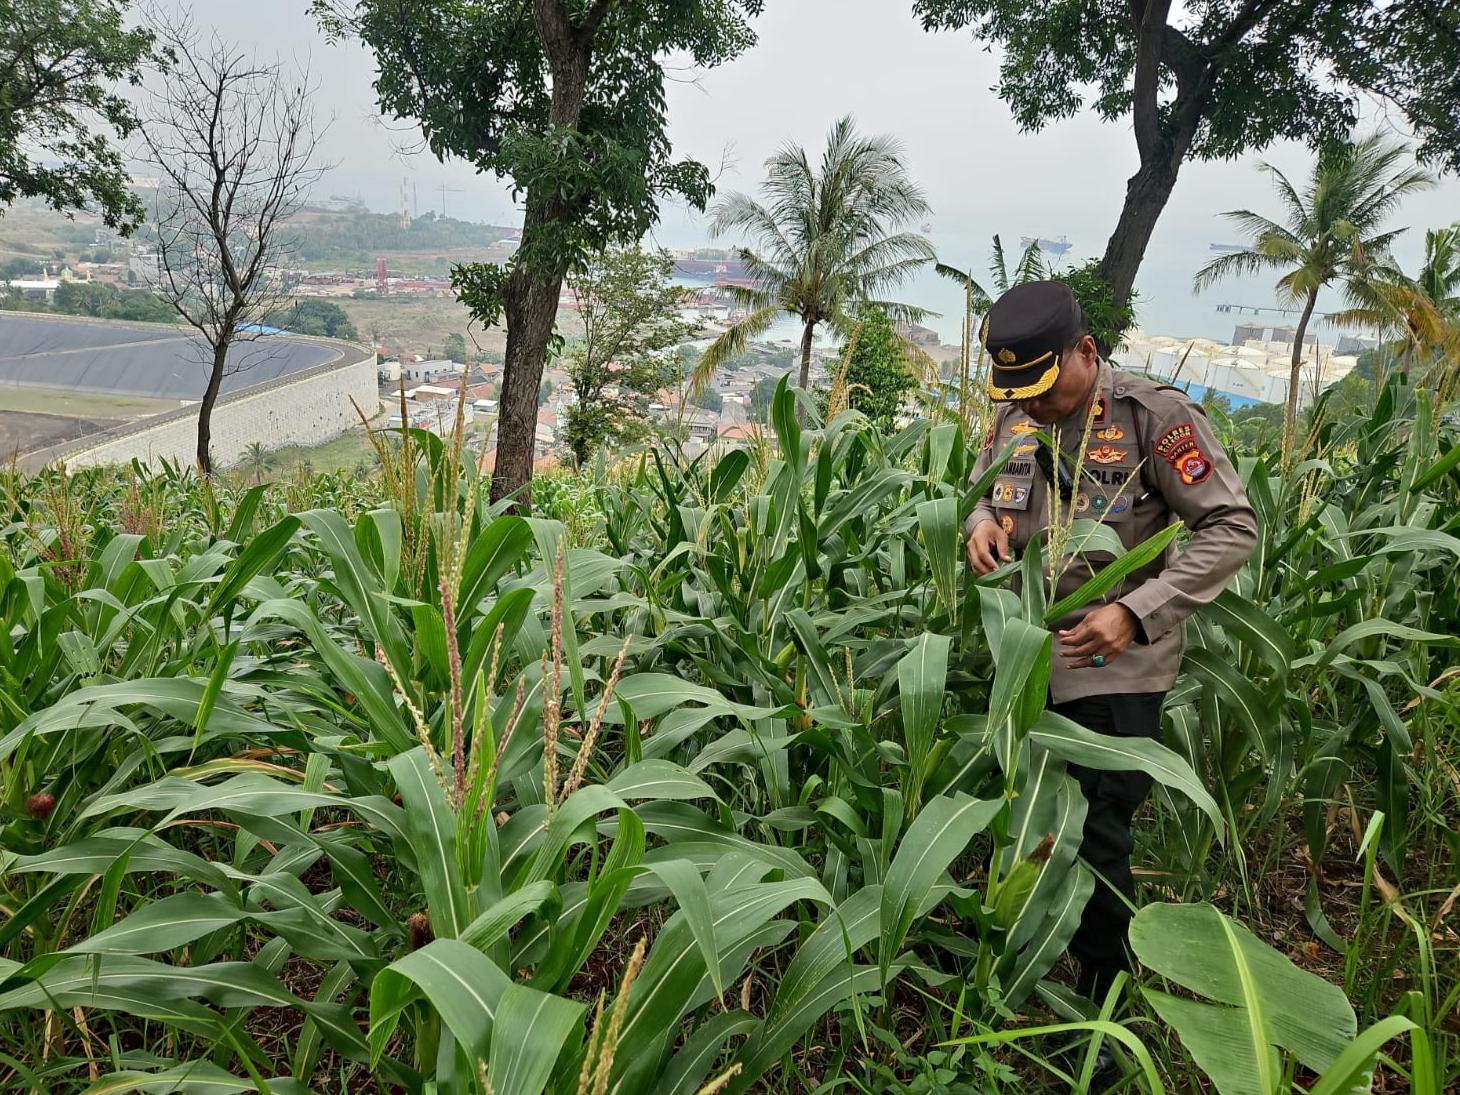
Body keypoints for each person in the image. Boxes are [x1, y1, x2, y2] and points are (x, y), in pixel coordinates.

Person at [964, 281, 1257, 1004]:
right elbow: (982, 490)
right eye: (1017, 391)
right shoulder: (1016, 415)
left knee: (1094, 842)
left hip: (1113, 671)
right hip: (1026, 663)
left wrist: (1134, 610)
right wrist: (980, 523)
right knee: (1029, 824)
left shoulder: (1155, 418)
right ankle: (1022, 977)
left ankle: (1103, 1012)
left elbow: (1231, 527)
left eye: (1043, 386)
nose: (1031, 404)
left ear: (1086, 352)